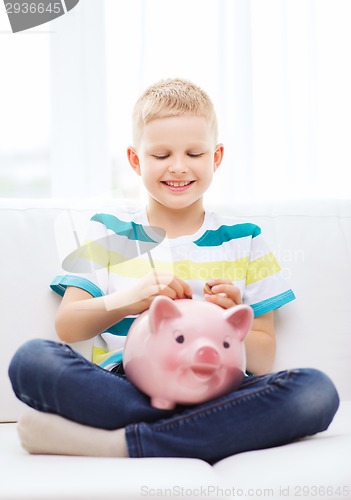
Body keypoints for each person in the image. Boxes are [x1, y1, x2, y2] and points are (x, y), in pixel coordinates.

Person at [8, 78, 339, 463]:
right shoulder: (109, 232)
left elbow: (263, 359)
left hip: (219, 385)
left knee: (316, 391)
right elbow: (68, 326)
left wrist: (227, 320)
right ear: (136, 160)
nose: (178, 167)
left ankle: (123, 442)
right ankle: (208, 430)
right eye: (161, 155)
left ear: (216, 157)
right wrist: (129, 300)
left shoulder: (245, 239)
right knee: (32, 360)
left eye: (194, 154)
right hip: (127, 383)